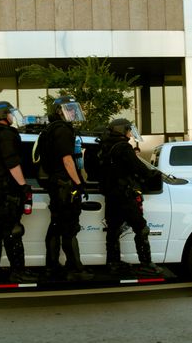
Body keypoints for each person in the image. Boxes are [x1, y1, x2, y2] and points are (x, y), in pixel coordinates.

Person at [0, 101, 37, 283]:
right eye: (10, 113)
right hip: (6, 189)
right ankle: (17, 271)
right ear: (3, 115)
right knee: (13, 230)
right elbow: (12, 162)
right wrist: (23, 185)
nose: (12, 117)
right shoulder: (5, 134)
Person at [99, 118, 163, 275]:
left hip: (111, 196)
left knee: (113, 230)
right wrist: (152, 174)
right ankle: (146, 263)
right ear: (121, 130)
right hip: (124, 195)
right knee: (141, 228)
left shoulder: (104, 146)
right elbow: (139, 167)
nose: (129, 132)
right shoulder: (123, 147)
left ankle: (113, 263)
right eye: (128, 129)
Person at [43, 95, 93, 281]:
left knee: (56, 226)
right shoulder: (63, 130)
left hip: (56, 185)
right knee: (69, 227)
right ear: (59, 111)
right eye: (69, 109)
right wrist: (78, 185)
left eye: (73, 109)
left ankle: (52, 266)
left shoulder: (50, 130)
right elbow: (67, 160)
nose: (72, 112)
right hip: (65, 186)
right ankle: (75, 267)